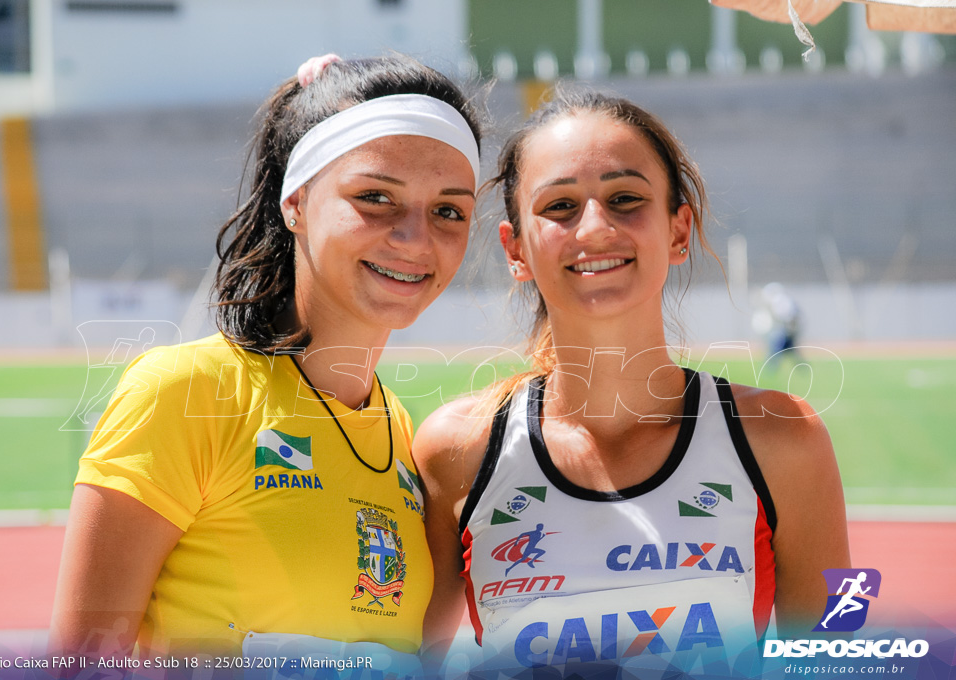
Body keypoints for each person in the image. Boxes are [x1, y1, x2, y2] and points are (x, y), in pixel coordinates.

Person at [49, 53, 483, 667]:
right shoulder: (183, 394)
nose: (416, 237)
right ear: (296, 203)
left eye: (448, 210)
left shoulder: (400, 437)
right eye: (376, 197)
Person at [414, 90, 849, 676]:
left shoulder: (785, 440)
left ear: (678, 231)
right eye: (560, 206)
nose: (595, 228)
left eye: (625, 199)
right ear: (515, 250)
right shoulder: (455, 451)